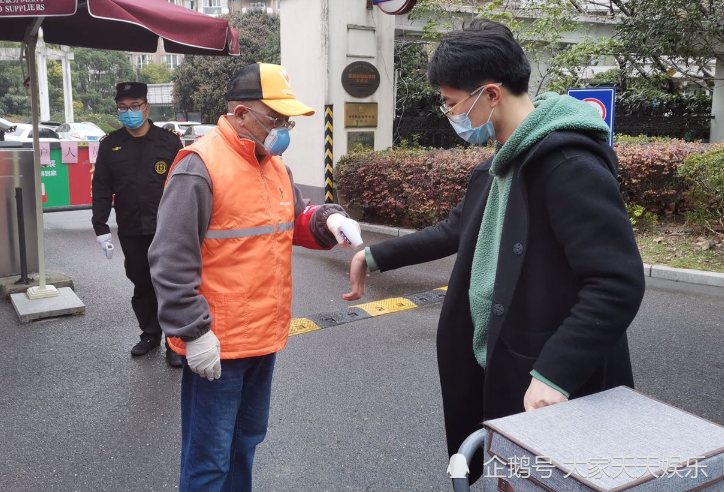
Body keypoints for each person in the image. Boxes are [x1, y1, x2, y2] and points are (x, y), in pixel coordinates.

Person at [344, 20, 646, 484]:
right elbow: (454, 229)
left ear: (489, 94)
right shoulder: (498, 164)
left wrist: (555, 373)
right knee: (505, 475)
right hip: (498, 365)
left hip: (548, 383)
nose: (450, 115)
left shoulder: (568, 165)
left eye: (450, 102)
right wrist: (376, 256)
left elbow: (616, 281)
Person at [148, 62, 358, 491]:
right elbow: (170, 258)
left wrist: (327, 220)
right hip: (218, 345)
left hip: (264, 336)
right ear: (240, 114)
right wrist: (194, 332)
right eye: (275, 118)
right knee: (209, 458)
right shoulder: (200, 165)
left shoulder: (274, 165)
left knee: (245, 443)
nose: (282, 129)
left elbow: (292, 219)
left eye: (286, 120)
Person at [92, 82, 184, 368]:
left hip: (167, 228)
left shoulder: (168, 141)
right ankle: (150, 334)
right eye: (123, 107)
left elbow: (184, 186)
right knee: (141, 282)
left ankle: (174, 341)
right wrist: (100, 227)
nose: (129, 112)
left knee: (169, 284)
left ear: (147, 107)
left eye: (134, 106)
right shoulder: (110, 144)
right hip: (131, 228)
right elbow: (102, 188)